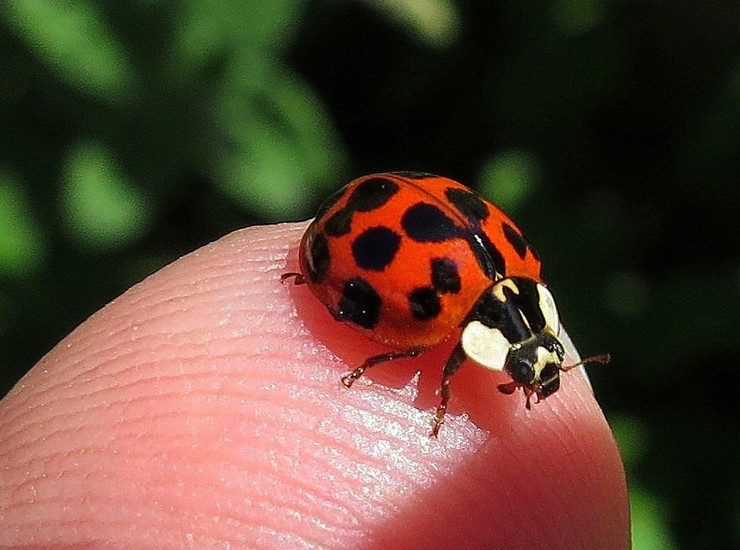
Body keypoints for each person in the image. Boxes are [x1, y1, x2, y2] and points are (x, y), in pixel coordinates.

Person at [0, 222, 630, 548]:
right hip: (360, 232)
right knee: (410, 339)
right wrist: (436, 399)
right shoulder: (456, 313)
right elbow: (430, 351)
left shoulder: (516, 274)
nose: (530, 378)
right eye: (529, 366)